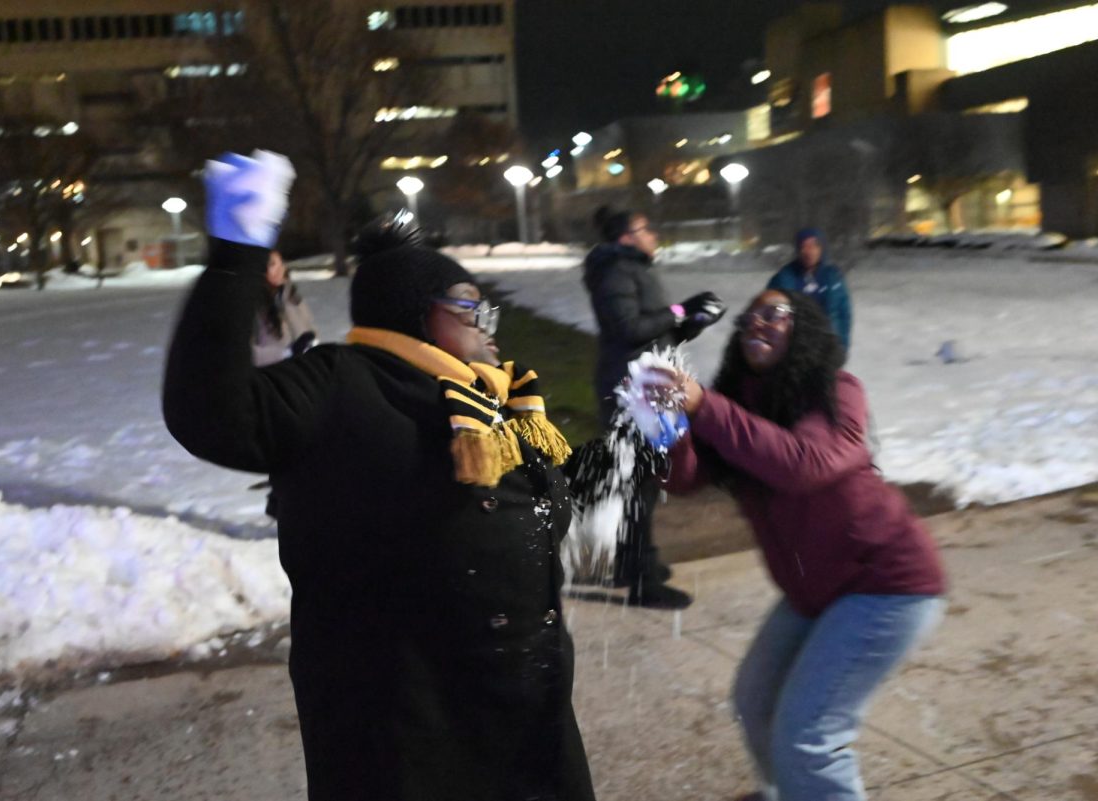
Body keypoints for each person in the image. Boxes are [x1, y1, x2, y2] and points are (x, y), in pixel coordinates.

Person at [163, 151, 594, 801]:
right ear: (419, 313)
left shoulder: (497, 406)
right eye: (470, 307)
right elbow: (212, 412)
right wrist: (236, 252)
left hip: (527, 727)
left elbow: (543, 511)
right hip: (405, 744)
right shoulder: (344, 387)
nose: (486, 326)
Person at [660, 289, 946, 801]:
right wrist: (668, 424)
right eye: (749, 318)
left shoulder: (837, 393)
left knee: (810, 733)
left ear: (805, 328)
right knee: (756, 699)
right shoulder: (740, 407)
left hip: (885, 585)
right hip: (816, 591)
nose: (757, 324)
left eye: (775, 314)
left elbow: (802, 464)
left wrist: (707, 407)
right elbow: (684, 478)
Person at [582, 206, 725, 608]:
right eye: (646, 229)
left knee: (640, 480)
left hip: (647, 383)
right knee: (638, 483)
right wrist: (678, 310)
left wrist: (694, 320)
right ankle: (641, 580)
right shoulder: (615, 272)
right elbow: (626, 329)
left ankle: (631, 563)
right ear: (626, 237)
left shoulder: (634, 269)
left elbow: (652, 332)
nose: (653, 234)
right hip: (629, 388)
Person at [766, 227, 852, 353]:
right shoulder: (784, 278)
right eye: (804, 246)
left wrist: (842, 347)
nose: (809, 251)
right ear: (798, 250)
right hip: (793, 350)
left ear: (821, 249)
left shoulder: (833, 277)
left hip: (827, 349)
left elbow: (843, 314)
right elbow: (773, 310)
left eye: (814, 246)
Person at [252, 249, 318, 366]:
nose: (279, 269)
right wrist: (286, 353)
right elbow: (246, 354)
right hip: (272, 377)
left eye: (280, 263)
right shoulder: (254, 304)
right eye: (272, 264)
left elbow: (311, 330)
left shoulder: (292, 297)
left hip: (302, 371)